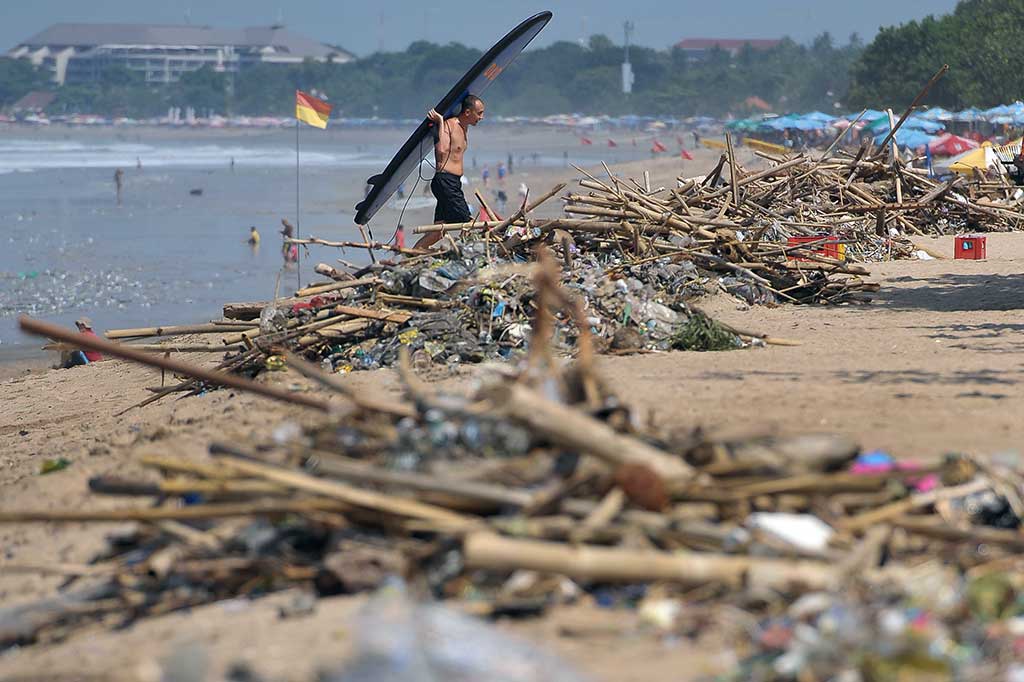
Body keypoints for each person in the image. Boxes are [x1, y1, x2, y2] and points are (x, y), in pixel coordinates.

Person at [414, 95, 485, 250]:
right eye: (479, 113)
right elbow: (442, 150)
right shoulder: (449, 125)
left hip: (452, 182)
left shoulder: (464, 128)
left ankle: (412, 253)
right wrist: (440, 122)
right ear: (467, 112)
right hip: (445, 181)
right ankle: (469, 253)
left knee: (438, 231)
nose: (481, 117)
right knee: (467, 223)